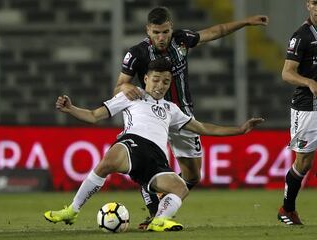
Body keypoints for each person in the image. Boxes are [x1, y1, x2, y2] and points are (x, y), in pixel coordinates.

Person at [44, 58, 264, 231]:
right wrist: (71, 109)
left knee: (180, 187)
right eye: (156, 80)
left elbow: (204, 128)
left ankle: (160, 220)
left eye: (166, 82)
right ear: (146, 79)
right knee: (108, 161)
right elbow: (94, 115)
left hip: (156, 160)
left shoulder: (172, 109)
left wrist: (240, 129)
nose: (160, 85)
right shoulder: (131, 95)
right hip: (133, 143)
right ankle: (72, 210)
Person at [114, 6, 269, 228]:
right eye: (156, 32)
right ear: (148, 30)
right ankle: (155, 211)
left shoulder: (182, 40)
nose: (161, 37)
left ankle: (158, 194)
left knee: (193, 176)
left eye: (165, 31)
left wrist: (245, 22)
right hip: (151, 117)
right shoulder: (137, 53)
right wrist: (125, 88)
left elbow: (217, 30)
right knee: (150, 166)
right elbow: (119, 87)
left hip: (181, 116)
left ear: (171, 28)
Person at [277, 0, 317, 226]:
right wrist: (309, 81)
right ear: (308, 5)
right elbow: (287, 73)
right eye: (316, 3)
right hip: (307, 106)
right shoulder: (301, 36)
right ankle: (287, 209)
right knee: (304, 163)